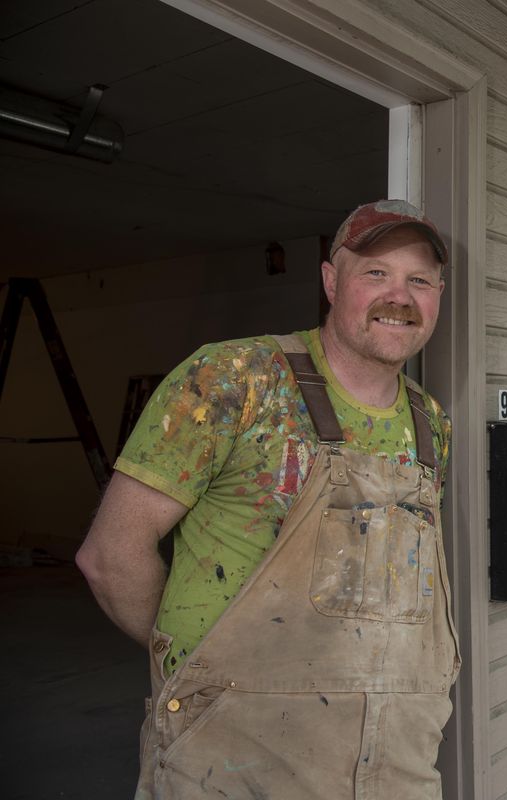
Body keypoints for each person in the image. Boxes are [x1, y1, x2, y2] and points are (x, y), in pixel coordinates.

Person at [76, 199, 458, 799]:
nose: (399, 296)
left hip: (391, 764)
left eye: (419, 280)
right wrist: (200, 664)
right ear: (332, 281)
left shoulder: (430, 421)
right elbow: (111, 555)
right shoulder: (236, 379)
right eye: (376, 273)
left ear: (438, 294)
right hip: (235, 761)